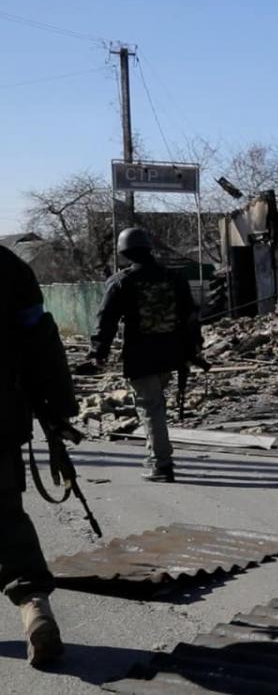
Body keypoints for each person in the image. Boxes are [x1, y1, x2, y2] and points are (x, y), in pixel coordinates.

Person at [1, 245, 79, 667]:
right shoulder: (9, 268)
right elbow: (41, 342)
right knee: (6, 516)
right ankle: (34, 608)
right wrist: (57, 410)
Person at [91, 227, 198, 483]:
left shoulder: (121, 281)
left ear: (123, 251)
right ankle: (159, 459)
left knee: (150, 408)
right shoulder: (174, 278)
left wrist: (99, 351)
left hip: (140, 355)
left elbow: (106, 320)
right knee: (156, 404)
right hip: (170, 354)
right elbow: (190, 317)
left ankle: (161, 465)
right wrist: (191, 351)